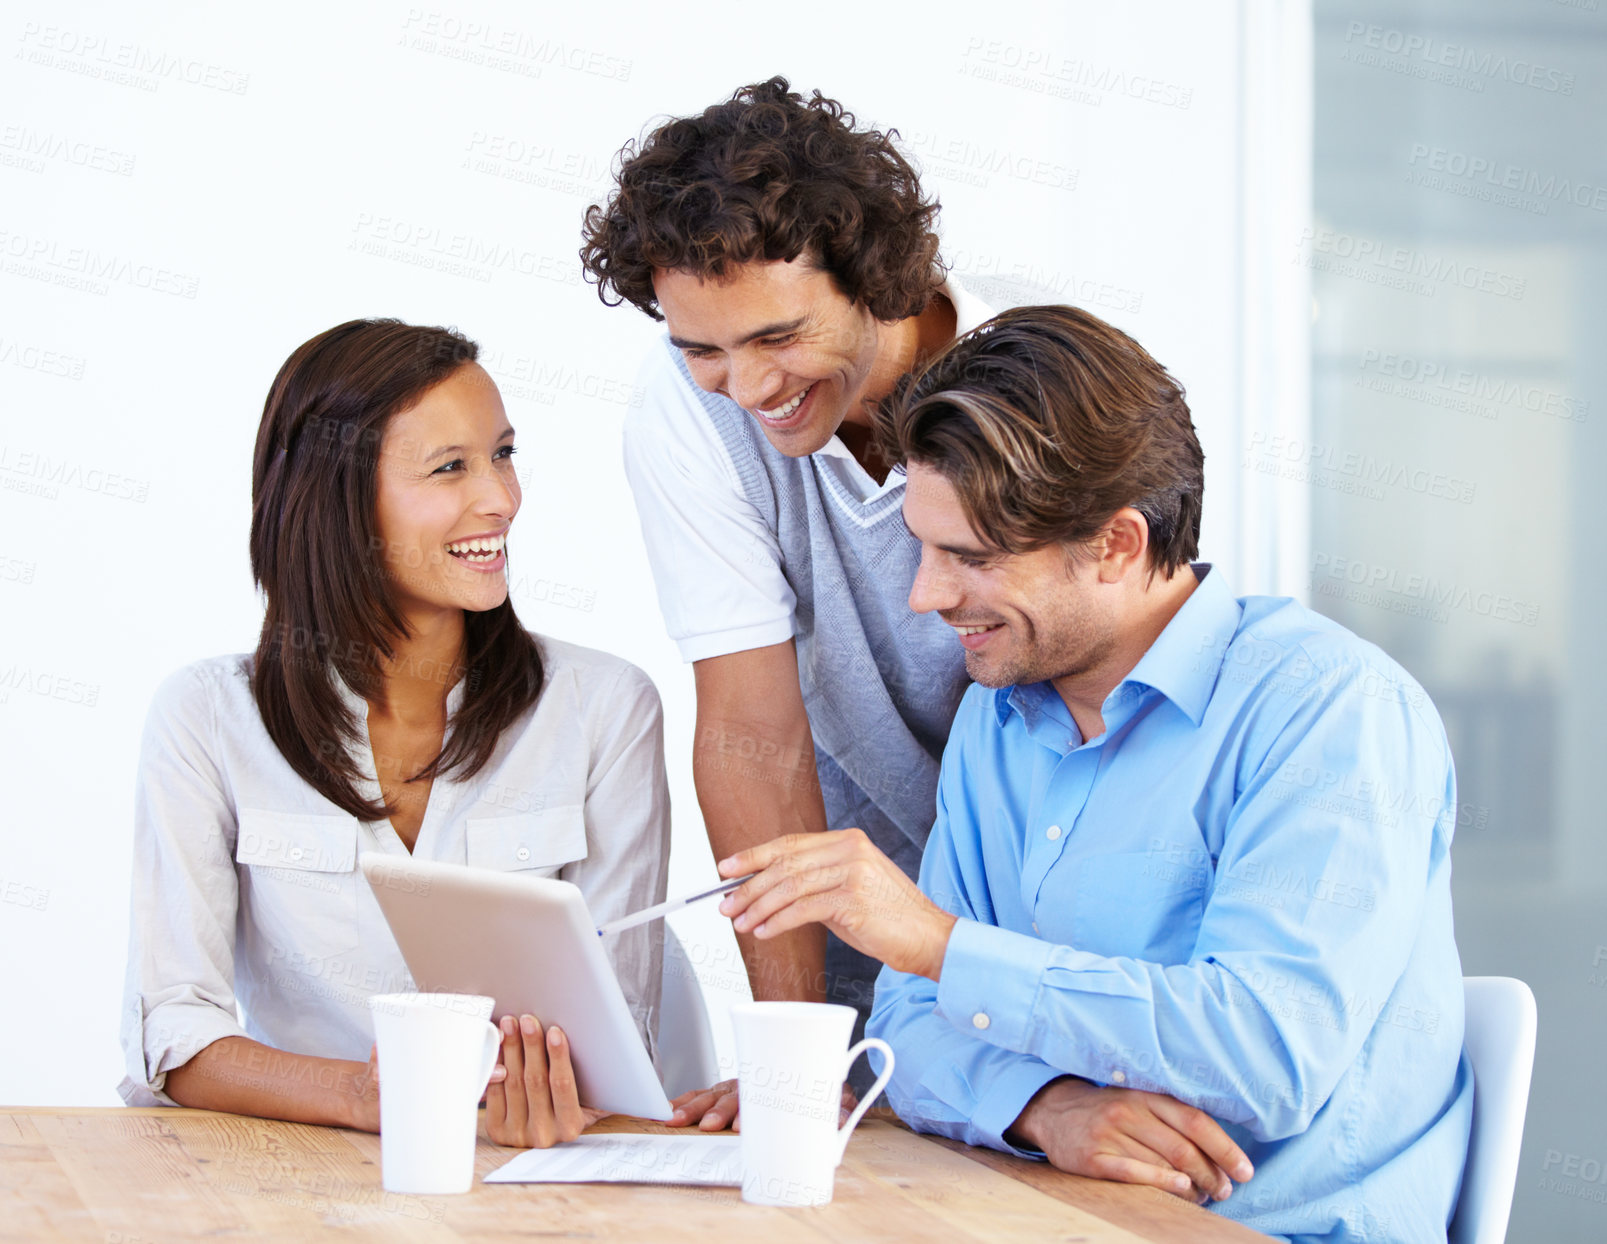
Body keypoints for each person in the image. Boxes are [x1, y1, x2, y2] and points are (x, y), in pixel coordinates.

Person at [716, 305, 1474, 1241]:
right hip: (1041, 1212)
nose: (925, 595)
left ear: (1115, 544)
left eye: (970, 557)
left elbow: (1266, 1057)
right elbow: (907, 1025)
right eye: (922, 546)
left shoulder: (1331, 711)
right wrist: (1045, 1108)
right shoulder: (999, 717)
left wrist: (944, 947)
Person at [118, 318, 670, 1150]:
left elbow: (616, 1034)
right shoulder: (206, 717)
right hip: (290, 1173)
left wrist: (555, 1098)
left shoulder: (604, 708)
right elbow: (175, 1032)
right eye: (450, 468)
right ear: (335, 501)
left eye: (503, 454)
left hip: (526, 1169)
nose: (500, 498)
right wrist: (372, 1095)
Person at [579, 77, 992, 1125]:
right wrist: (792, 1064)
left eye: (776, 337)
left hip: (1036, 934)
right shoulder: (687, 408)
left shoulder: (1027, 386)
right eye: (704, 347)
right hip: (859, 949)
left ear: (877, 279)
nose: (747, 385)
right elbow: (750, 732)